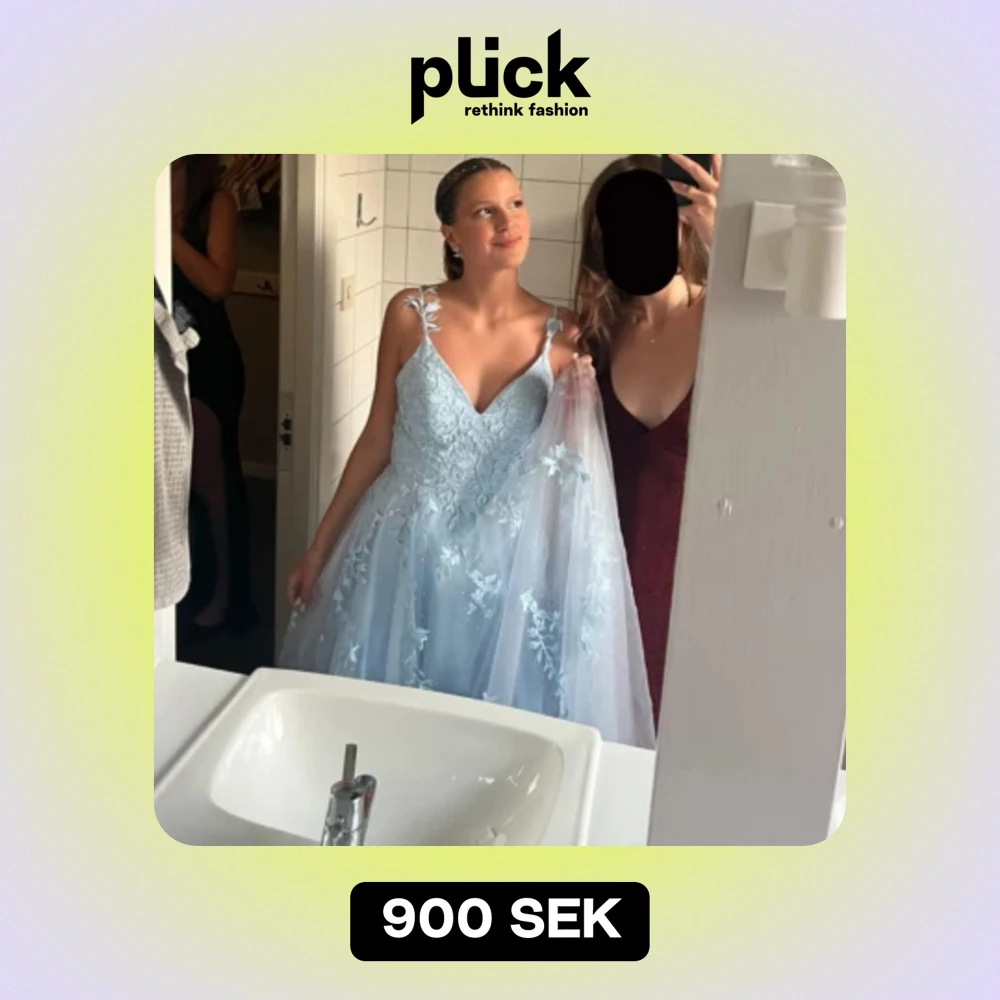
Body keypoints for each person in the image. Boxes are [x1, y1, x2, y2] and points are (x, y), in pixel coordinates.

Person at [278, 158, 655, 747]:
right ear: (451, 235)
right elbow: (378, 436)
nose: (508, 221)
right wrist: (319, 547)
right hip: (403, 557)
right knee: (382, 736)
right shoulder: (410, 315)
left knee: (483, 745)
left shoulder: (568, 336)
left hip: (505, 577)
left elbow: (572, 478)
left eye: (516, 204)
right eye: (485, 211)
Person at [575, 153, 721, 728]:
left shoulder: (727, 317)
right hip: (607, 584)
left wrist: (732, 249)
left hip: (701, 585)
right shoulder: (597, 334)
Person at [171, 154, 256, 633]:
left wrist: (166, 234)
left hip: (208, 360)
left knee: (211, 484)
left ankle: (225, 596)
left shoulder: (216, 202)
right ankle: (179, 586)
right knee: (167, 482)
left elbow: (218, 284)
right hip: (157, 354)